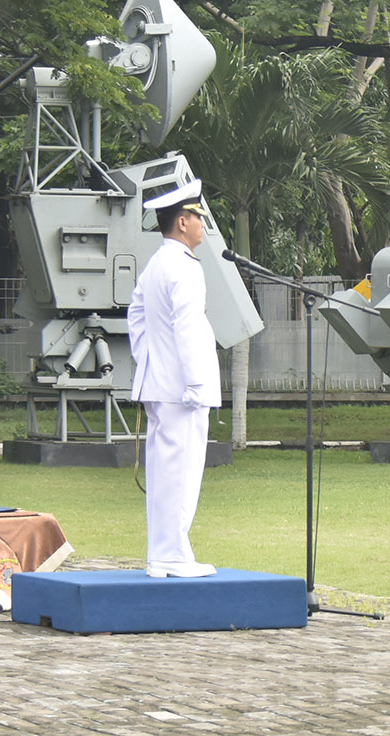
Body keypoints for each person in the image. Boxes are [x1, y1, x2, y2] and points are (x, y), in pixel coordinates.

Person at [128, 179, 222, 576]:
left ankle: (163, 553)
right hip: (183, 389)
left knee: (166, 473)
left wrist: (150, 363)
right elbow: (186, 326)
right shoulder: (182, 265)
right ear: (182, 222)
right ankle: (172, 555)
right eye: (198, 217)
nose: (203, 224)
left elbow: (136, 317)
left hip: (162, 384)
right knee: (181, 473)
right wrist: (196, 382)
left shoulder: (156, 264)